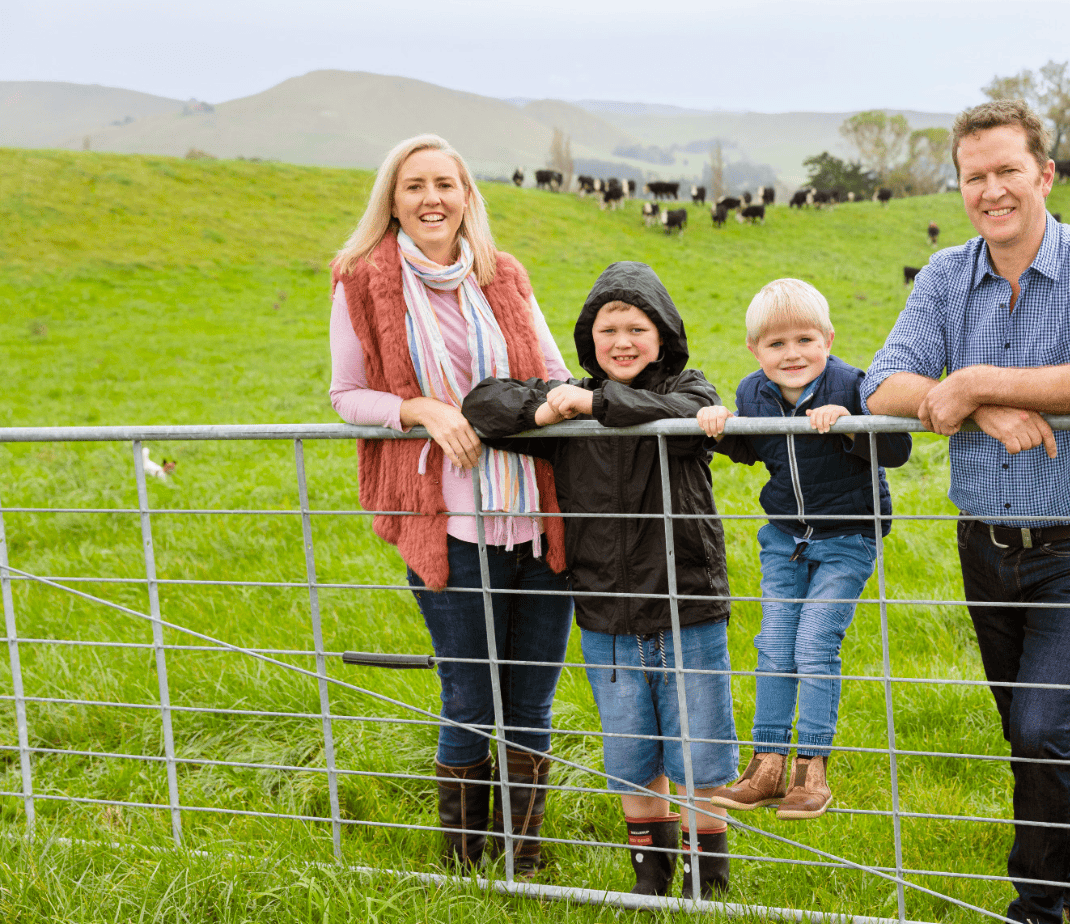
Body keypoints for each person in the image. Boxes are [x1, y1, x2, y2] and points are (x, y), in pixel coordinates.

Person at [861, 100, 1070, 924]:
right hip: (985, 543)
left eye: (1007, 172)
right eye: (974, 177)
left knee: (1038, 724)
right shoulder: (949, 276)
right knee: (1027, 733)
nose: (991, 191)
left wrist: (977, 380)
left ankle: (1041, 903)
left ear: (1045, 175)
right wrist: (974, 405)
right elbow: (882, 384)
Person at [328, 134, 575, 876]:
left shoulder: (506, 276)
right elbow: (346, 397)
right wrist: (422, 410)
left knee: (531, 701)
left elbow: (556, 370)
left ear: (468, 195)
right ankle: (466, 864)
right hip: (450, 526)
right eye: (414, 187)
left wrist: (572, 400)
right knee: (470, 694)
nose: (431, 198)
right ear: (392, 200)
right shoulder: (360, 279)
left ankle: (523, 858)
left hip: (536, 517)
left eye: (445, 183)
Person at [461, 261, 738, 899]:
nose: (622, 341)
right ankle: (652, 889)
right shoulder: (572, 418)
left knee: (699, 759)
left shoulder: (687, 393)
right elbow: (482, 404)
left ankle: (710, 892)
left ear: (663, 336)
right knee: (632, 763)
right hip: (606, 618)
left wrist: (593, 402)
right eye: (608, 329)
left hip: (685, 611)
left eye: (637, 328)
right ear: (589, 341)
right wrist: (551, 410)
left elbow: (691, 409)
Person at [694, 279, 913, 821]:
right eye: (776, 344)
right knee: (774, 644)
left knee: (815, 644)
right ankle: (765, 765)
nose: (792, 354)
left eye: (805, 340)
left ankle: (810, 771)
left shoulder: (852, 384)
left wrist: (849, 426)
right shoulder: (754, 392)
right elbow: (754, 447)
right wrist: (720, 427)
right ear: (755, 350)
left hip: (847, 536)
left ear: (828, 338)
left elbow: (898, 447)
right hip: (784, 537)